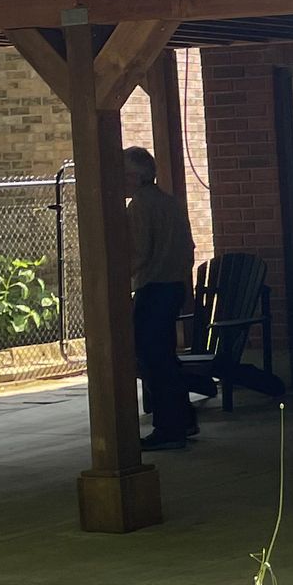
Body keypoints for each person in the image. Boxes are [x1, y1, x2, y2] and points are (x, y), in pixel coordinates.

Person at [123, 146, 196, 451]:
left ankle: (169, 427)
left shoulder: (140, 206)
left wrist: (119, 278)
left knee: (152, 358)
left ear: (135, 176)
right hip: (174, 286)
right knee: (165, 356)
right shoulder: (171, 203)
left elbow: (139, 251)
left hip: (152, 288)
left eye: (122, 173)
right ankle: (184, 419)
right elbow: (189, 247)